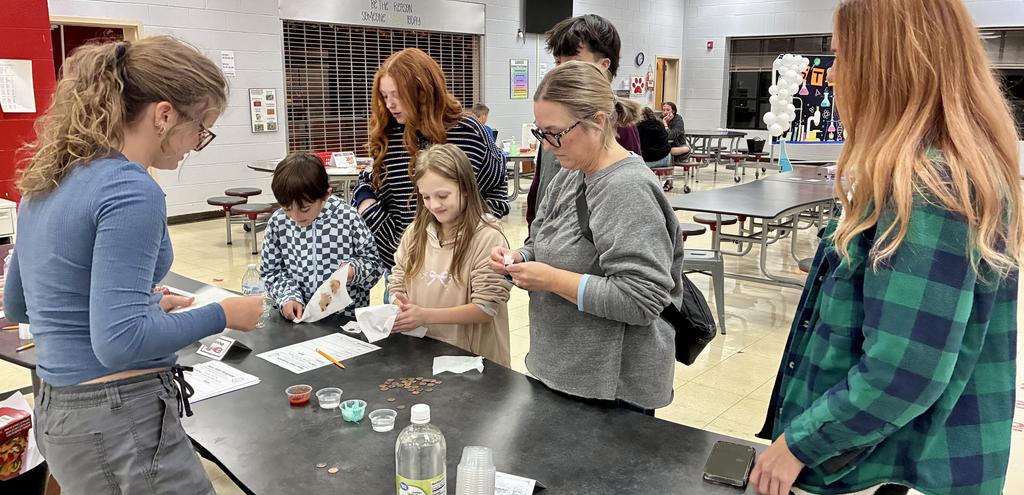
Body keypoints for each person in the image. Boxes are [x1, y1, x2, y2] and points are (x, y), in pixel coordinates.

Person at [751, 1, 1023, 494]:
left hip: (883, 467)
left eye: (841, 57)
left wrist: (799, 446)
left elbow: (904, 371)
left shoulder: (927, 187)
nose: (834, 78)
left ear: (883, 64)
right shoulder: (924, 170)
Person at [3, 37, 264, 494]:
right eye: (200, 127)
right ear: (164, 115)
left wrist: (141, 302)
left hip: (60, 411)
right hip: (119, 419)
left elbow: (20, 304)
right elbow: (120, 343)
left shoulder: (46, 182)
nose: (196, 144)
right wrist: (223, 315)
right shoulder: (130, 190)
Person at [491, 61, 683, 414]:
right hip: (561, 368)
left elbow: (642, 300)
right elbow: (545, 240)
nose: (547, 146)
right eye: (541, 133)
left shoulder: (627, 189)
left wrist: (551, 280)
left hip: (609, 390)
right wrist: (522, 258)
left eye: (555, 133)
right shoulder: (572, 172)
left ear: (597, 121)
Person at [353, 48, 508, 270]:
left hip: (462, 265)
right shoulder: (388, 135)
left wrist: (472, 234)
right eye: (384, 96)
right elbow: (372, 187)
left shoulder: (468, 131)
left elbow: (496, 187)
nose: (389, 104)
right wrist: (368, 208)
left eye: (397, 95)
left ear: (423, 91)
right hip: (404, 266)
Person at [389, 144, 512, 366]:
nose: (434, 205)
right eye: (425, 197)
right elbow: (397, 281)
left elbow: (486, 308)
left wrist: (424, 315)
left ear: (465, 188)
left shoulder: (487, 237)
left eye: (443, 196)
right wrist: (398, 304)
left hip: (474, 361)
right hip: (423, 353)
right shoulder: (415, 233)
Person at [524, 14, 643, 230]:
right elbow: (542, 181)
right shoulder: (557, 116)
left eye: (572, 62)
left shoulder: (619, 125)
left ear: (603, 65)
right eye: (557, 62)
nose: (561, 70)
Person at [260, 152, 385, 320]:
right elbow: (271, 271)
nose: (295, 216)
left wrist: (353, 271)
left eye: (305, 209)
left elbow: (375, 264)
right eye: (287, 208)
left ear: (326, 194)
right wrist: (288, 296)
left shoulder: (347, 217)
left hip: (346, 320)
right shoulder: (278, 222)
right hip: (299, 319)